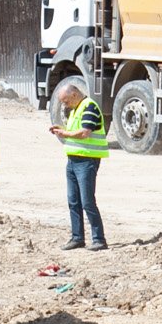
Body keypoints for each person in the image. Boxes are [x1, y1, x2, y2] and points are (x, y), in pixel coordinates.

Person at [50, 85, 109, 250]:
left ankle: (99, 239)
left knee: (87, 202)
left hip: (87, 161)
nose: (65, 105)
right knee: (73, 201)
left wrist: (65, 134)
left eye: (66, 100)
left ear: (74, 94)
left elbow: (84, 133)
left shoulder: (89, 106)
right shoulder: (76, 109)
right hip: (73, 160)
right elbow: (75, 130)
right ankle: (77, 238)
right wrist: (63, 130)